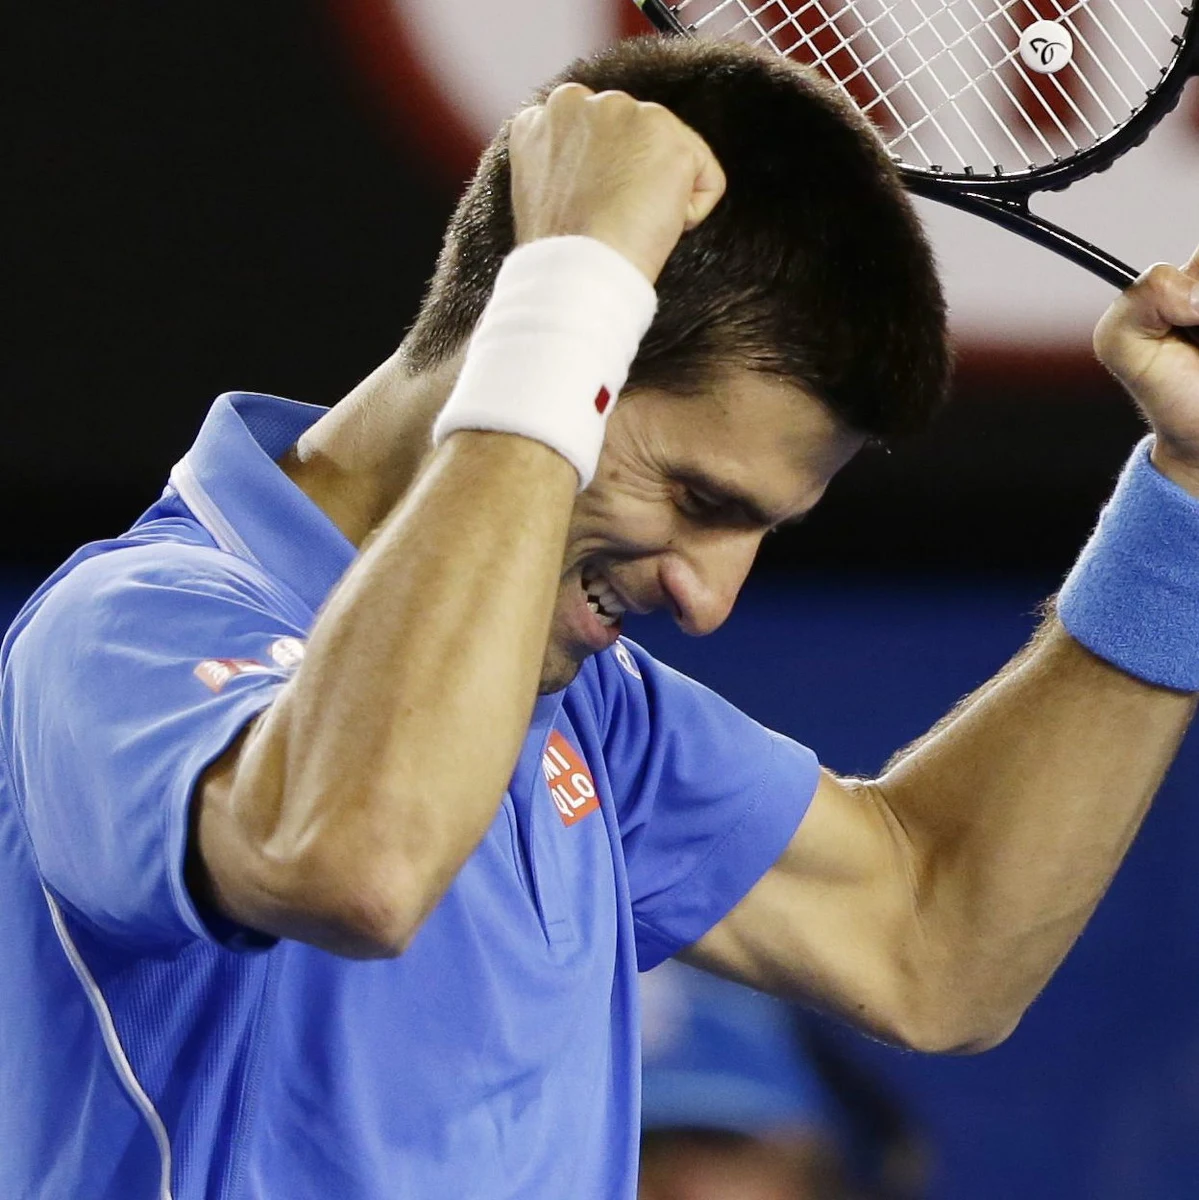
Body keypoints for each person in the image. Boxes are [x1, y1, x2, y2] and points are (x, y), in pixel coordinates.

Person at [2, 32, 1198, 1200]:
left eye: (757, 531)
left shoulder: (583, 714)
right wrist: (572, 284)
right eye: (693, 496)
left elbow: (932, 942)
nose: (709, 596)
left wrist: (1182, 503)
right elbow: (356, 856)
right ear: (524, 352)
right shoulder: (127, 630)